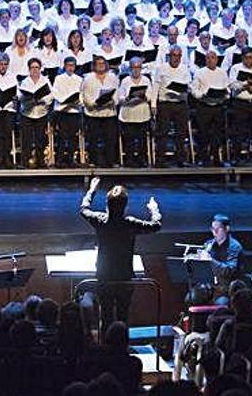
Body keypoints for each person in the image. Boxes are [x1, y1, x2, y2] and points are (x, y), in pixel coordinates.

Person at [79, 176, 161, 331]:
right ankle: (121, 346)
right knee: (123, 316)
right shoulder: (129, 224)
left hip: (104, 277)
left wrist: (91, 190)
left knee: (106, 315)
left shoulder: (101, 220)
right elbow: (156, 225)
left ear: (107, 204)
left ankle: (106, 347)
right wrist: (154, 209)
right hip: (125, 277)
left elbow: (83, 209)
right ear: (125, 206)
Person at [152, 46, 192, 167]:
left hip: (180, 104)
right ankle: (160, 160)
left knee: (181, 133)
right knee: (163, 132)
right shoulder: (161, 68)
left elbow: (189, 86)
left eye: (179, 56)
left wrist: (184, 88)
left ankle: (180, 159)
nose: (176, 58)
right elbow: (156, 87)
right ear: (169, 56)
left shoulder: (184, 69)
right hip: (165, 104)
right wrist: (153, 104)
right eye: (174, 55)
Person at [227, 47, 252, 165]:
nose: (248, 60)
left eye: (251, 58)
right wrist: (246, 84)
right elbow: (232, 85)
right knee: (238, 132)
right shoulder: (235, 68)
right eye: (246, 58)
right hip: (240, 103)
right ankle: (237, 158)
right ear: (242, 58)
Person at [190, 50, 228, 166]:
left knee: (217, 134)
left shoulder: (222, 73)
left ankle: (216, 157)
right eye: (208, 58)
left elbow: (227, 89)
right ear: (205, 60)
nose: (210, 60)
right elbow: (194, 90)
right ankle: (204, 158)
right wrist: (202, 95)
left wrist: (225, 94)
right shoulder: (199, 72)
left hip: (218, 106)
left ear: (217, 59)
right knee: (203, 134)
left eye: (213, 57)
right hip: (204, 106)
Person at [81, 56, 120, 167]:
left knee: (110, 139)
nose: (101, 65)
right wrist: (93, 104)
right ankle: (94, 161)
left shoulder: (113, 77)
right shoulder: (88, 79)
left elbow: (116, 93)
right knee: (93, 139)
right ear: (94, 65)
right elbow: (84, 94)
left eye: (103, 63)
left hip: (109, 113)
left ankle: (110, 161)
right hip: (93, 113)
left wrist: (111, 102)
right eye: (98, 63)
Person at [197, 214, 244, 303]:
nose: (214, 232)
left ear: (227, 229)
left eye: (218, 229)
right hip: (214, 288)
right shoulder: (210, 244)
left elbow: (229, 270)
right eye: (212, 229)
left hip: (230, 290)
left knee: (221, 303)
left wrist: (210, 259)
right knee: (192, 298)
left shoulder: (235, 246)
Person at [18, 58, 54, 168]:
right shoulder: (25, 81)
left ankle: (40, 160)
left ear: (40, 69)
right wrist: (29, 99)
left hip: (41, 112)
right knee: (26, 139)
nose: (35, 70)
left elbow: (51, 96)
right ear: (29, 69)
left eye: (37, 67)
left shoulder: (45, 81)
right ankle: (24, 161)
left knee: (40, 139)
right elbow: (20, 96)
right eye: (32, 67)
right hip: (27, 113)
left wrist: (41, 100)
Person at [117, 57, 152, 167]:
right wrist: (126, 98)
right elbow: (120, 96)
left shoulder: (146, 80)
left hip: (142, 113)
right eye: (133, 67)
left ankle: (142, 159)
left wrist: (145, 96)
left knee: (142, 139)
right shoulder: (125, 81)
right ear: (130, 68)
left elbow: (150, 94)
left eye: (138, 67)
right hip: (128, 114)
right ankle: (130, 159)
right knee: (129, 139)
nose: (136, 70)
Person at [52, 56, 84, 168]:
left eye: (73, 65)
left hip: (74, 111)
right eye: (68, 65)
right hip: (62, 111)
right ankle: (59, 159)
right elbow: (55, 93)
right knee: (62, 136)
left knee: (72, 137)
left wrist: (77, 101)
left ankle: (71, 159)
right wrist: (65, 101)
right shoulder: (59, 78)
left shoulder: (79, 79)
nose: (71, 68)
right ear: (64, 66)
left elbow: (81, 95)